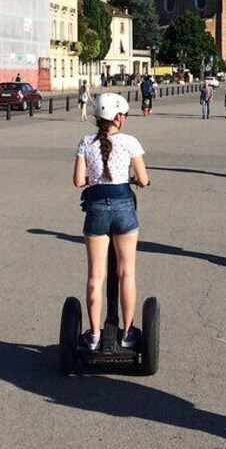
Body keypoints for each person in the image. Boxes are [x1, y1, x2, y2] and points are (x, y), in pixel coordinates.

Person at [73, 93, 151, 352]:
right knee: (126, 272)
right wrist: (139, 181)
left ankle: (94, 335)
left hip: (96, 210)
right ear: (118, 117)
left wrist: (94, 179)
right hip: (124, 209)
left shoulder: (85, 143)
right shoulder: (130, 142)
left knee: (95, 274)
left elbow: (78, 181)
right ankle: (127, 333)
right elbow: (142, 178)